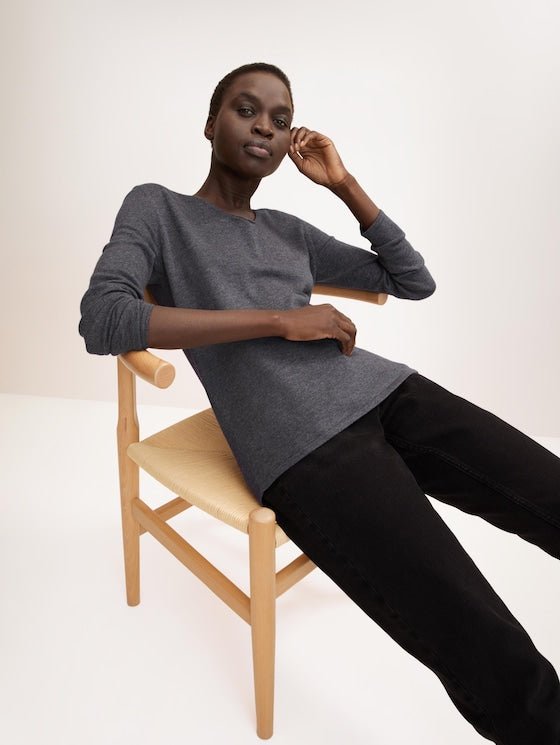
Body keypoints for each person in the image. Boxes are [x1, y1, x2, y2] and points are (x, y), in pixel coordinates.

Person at [78, 62, 560, 743]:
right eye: (246, 110)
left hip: (387, 391)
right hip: (301, 444)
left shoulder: (288, 230)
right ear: (210, 124)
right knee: (473, 626)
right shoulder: (158, 210)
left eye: (280, 120)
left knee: (546, 486)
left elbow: (410, 279)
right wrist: (280, 319)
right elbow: (103, 318)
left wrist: (343, 185)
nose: (264, 128)